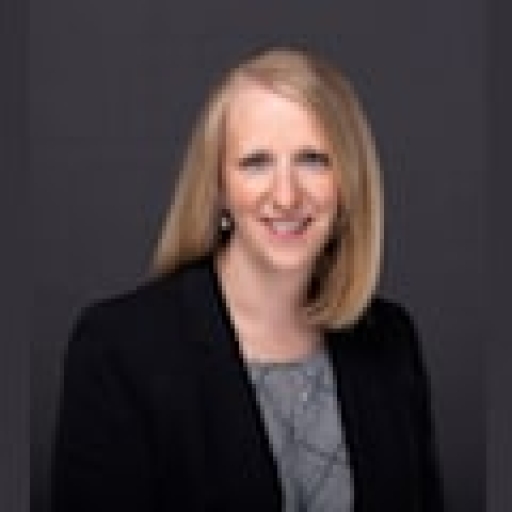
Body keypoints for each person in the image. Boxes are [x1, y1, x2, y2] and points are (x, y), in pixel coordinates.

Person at [51, 46, 445, 512]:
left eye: (313, 159)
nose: (286, 196)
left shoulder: (390, 341)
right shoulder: (119, 351)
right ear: (218, 187)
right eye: (256, 162)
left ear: (349, 181)